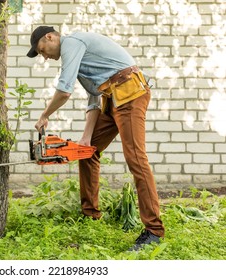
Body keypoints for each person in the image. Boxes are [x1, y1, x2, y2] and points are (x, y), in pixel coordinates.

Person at [27, 26, 165, 251]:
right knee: (87, 151)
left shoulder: (72, 43)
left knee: (136, 160)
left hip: (130, 93)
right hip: (112, 99)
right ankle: (90, 214)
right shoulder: (79, 56)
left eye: (42, 50)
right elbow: (94, 98)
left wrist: (45, 115)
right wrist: (86, 138)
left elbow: (64, 91)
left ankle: (154, 230)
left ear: (50, 37)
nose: (44, 57)